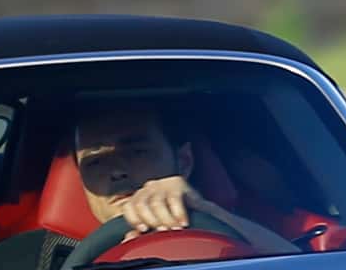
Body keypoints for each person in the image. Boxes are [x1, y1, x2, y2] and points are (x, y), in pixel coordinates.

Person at [67, 102, 298, 255]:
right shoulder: (40, 256)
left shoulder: (251, 233)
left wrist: (206, 213)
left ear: (185, 161)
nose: (116, 172)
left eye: (137, 152)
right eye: (95, 162)